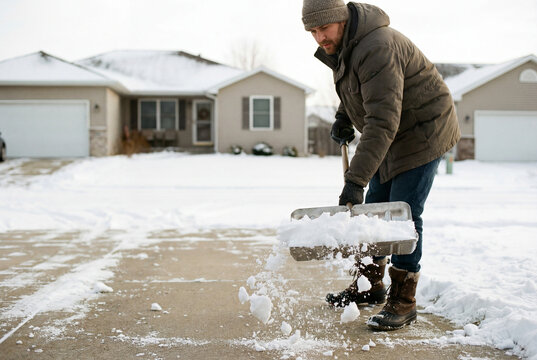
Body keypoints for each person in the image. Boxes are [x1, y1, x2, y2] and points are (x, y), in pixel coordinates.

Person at [302, 0, 461, 330]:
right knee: (375, 209)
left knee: (402, 213)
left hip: (422, 131)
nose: (319, 37)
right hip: (394, 130)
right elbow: (359, 92)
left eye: (323, 28)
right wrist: (344, 118)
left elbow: (382, 120)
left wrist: (355, 180)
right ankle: (370, 286)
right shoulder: (346, 46)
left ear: (341, 19)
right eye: (312, 31)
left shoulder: (377, 46)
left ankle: (404, 301)